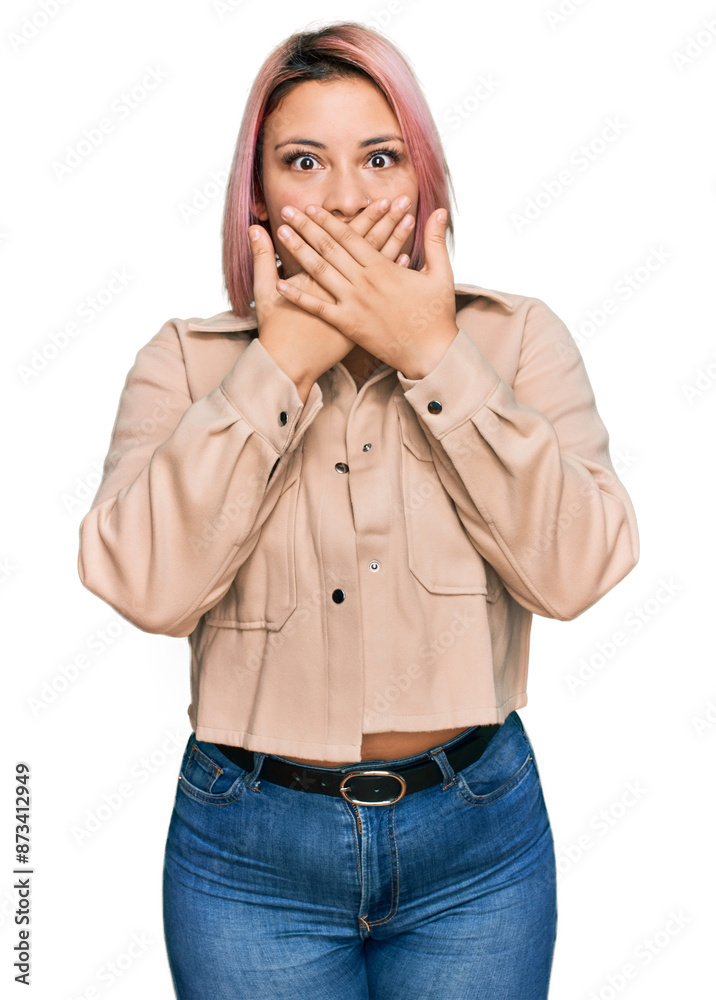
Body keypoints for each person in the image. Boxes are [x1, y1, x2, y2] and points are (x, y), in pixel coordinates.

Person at [77, 20, 639, 1000]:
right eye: (304, 160)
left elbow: (581, 568)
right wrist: (278, 366)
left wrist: (431, 356)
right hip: (248, 851)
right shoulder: (187, 362)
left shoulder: (514, 342)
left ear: (423, 180)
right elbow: (143, 585)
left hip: (477, 843)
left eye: (379, 157)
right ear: (257, 196)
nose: (343, 197)